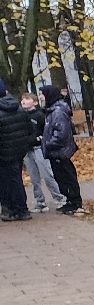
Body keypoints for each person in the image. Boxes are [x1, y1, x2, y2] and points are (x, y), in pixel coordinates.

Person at [38, 85, 83, 215]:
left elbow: (61, 134)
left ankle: (75, 202)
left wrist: (47, 143)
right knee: (61, 177)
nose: (41, 97)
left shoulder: (58, 112)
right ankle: (70, 201)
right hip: (55, 151)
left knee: (66, 176)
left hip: (59, 151)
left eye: (42, 94)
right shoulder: (51, 111)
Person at [18, 91, 62, 213]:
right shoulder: (21, 116)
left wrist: (40, 139)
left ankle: (59, 197)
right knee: (34, 178)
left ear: (34, 102)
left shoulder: (39, 115)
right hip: (28, 150)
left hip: (39, 148)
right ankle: (40, 202)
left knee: (47, 174)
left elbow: (44, 131)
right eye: (22, 99)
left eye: (27, 99)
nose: (23, 101)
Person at [0, 91, 37, 221]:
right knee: (16, 180)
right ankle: (21, 208)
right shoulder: (20, 111)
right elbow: (30, 130)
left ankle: (12, 209)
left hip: (4, 154)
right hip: (18, 152)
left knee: (6, 183)